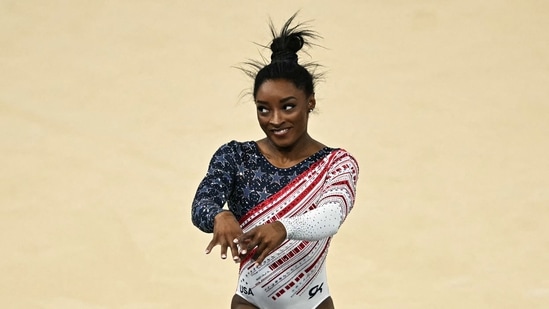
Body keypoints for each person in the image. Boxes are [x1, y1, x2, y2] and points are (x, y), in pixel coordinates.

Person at [191, 13, 359, 309]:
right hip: (250, 302)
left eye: (288, 106)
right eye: (263, 109)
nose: (276, 119)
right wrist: (220, 215)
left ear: (311, 101)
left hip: (313, 302)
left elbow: (332, 215)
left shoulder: (337, 163)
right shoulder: (235, 156)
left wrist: (283, 227)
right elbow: (202, 204)